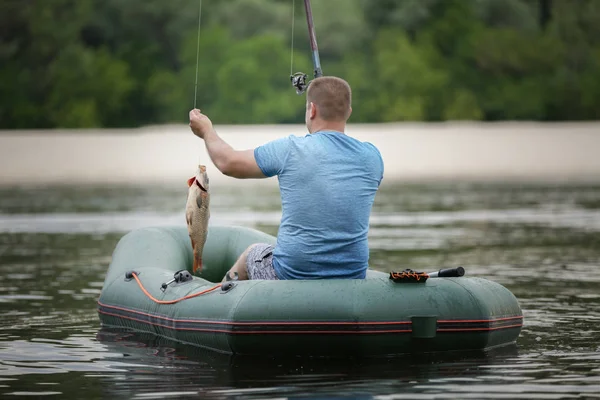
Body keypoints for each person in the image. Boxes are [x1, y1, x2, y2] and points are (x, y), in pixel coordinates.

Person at [189, 76, 383, 282]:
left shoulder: (290, 149)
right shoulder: (372, 157)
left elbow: (227, 163)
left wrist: (207, 131)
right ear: (349, 113)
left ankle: (219, 299)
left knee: (252, 253)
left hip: (293, 273)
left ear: (312, 110)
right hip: (351, 275)